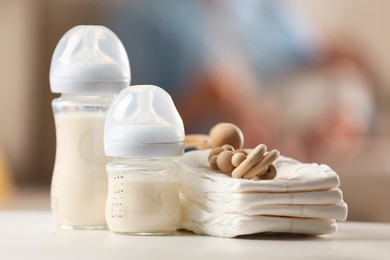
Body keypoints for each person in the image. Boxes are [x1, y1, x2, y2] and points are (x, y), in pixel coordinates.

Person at [103, 0, 376, 163]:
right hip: (207, 167)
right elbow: (121, 133)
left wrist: (344, 115)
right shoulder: (146, 17)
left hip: (296, 152)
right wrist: (205, 99)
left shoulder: (270, 10)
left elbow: (315, 63)